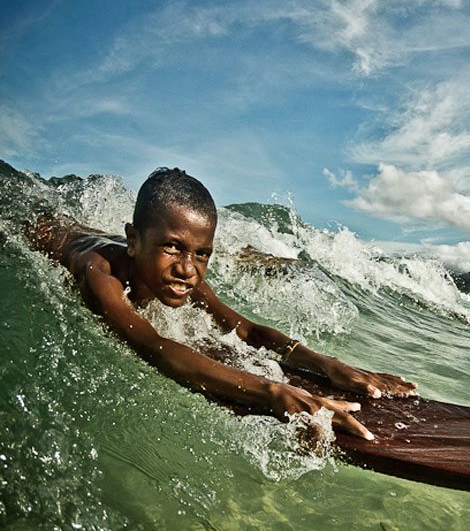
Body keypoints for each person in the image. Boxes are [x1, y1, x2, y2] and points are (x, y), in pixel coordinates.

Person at [29, 168, 416, 441]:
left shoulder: (184, 275)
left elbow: (245, 330)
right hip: (39, 229)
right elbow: (153, 348)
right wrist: (272, 391)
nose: (187, 269)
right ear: (133, 241)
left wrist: (326, 365)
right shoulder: (101, 273)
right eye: (172, 247)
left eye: (202, 254)